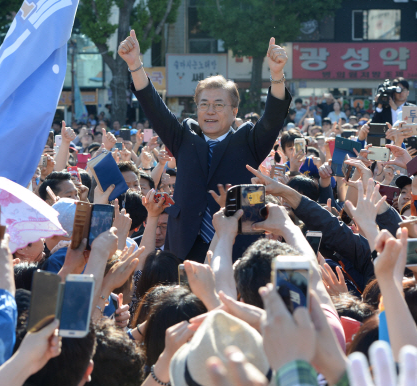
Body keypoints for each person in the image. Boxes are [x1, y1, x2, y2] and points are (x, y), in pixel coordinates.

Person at [118, 30, 291, 262]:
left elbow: (273, 117)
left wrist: (276, 73)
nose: (210, 111)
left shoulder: (249, 140)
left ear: (234, 111)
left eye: (219, 105)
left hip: (237, 246)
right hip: (184, 245)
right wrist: (135, 64)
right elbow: (153, 106)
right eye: (204, 104)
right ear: (196, 108)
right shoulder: (183, 137)